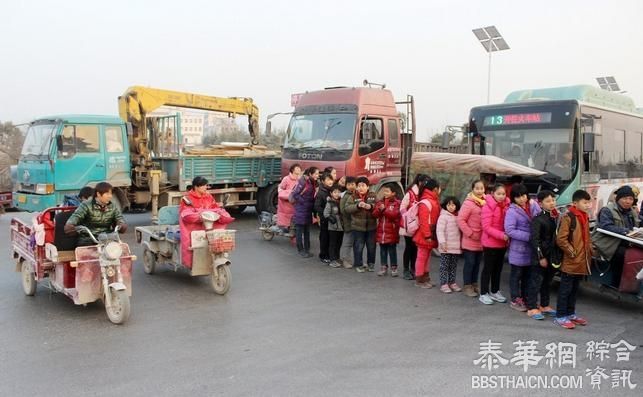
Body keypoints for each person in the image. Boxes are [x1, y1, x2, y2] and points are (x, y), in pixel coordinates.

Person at [554, 189, 593, 329]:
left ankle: (570, 313)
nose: (588, 205)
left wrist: (590, 251)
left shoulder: (584, 216)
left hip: (582, 261)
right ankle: (560, 316)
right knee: (565, 289)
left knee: (575, 289)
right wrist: (572, 253)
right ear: (575, 203)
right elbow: (561, 239)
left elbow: (586, 238)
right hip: (571, 261)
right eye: (585, 202)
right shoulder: (568, 217)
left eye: (589, 202)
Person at [178, 176, 234, 267]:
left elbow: (215, 207)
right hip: (193, 226)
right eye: (203, 186)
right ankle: (191, 264)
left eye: (206, 185)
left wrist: (221, 213)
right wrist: (201, 214)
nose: (206, 187)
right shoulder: (187, 198)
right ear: (196, 186)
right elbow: (185, 214)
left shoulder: (208, 196)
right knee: (190, 243)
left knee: (219, 236)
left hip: (209, 224)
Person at [593, 185, 640, 288]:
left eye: (630, 199)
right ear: (618, 199)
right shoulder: (607, 210)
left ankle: (633, 283)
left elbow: (637, 224)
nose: (628, 201)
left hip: (624, 241)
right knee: (624, 255)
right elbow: (606, 226)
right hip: (608, 243)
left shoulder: (632, 211)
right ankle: (616, 283)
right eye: (625, 198)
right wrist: (627, 231)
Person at [504, 184, 541, 312]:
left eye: (523, 195)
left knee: (527, 275)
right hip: (519, 248)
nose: (521, 199)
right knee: (516, 275)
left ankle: (525, 297)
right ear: (513, 198)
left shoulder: (533, 205)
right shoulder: (512, 211)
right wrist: (529, 236)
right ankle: (515, 299)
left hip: (531, 248)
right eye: (518, 197)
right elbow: (509, 230)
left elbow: (539, 219)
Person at [525, 190, 560, 320]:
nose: (552, 203)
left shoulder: (555, 217)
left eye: (553, 200)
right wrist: (541, 257)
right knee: (535, 282)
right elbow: (535, 240)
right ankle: (532, 307)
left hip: (552, 255)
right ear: (540, 203)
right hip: (540, 257)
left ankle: (544, 305)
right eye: (548, 201)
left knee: (547, 282)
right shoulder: (538, 219)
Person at [64, 182, 128, 246]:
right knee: (86, 252)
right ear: (98, 194)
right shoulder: (86, 205)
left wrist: (121, 224)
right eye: (107, 193)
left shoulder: (112, 206)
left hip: (107, 238)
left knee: (120, 251)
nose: (110, 196)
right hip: (88, 238)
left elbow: (119, 218)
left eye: (111, 193)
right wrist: (70, 225)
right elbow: (76, 216)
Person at [479, 184, 510, 305]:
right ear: (493, 193)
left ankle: (495, 291)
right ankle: (483, 293)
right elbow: (486, 227)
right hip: (490, 243)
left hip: (502, 244)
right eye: (499, 194)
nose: (501, 196)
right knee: (488, 269)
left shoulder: (507, 206)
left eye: (503, 194)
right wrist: (502, 235)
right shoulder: (488, 206)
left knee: (498, 269)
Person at [457, 180, 486, 297]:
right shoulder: (468, 203)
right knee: (470, 263)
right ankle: (467, 285)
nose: (479, 191)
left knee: (477, 264)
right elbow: (460, 220)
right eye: (477, 188)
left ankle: (474, 284)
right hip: (470, 239)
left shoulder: (486, 202)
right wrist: (470, 233)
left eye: (482, 188)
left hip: (481, 240)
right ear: (473, 189)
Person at [345, 177, 377, 273]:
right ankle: (358, 264)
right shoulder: (353, 197)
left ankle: (371, 264)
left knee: (371, 246)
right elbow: (347, 208)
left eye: (363, 186)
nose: (361, 188)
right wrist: (357, 206)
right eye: (359, 186)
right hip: (357, 227)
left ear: (368, 187)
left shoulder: (373, 195)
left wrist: (371, 206)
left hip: (371, 227)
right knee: (358, 246)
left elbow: (379, 206)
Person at [413, 177, 441, 288]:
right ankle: (419, 280)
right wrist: (427, 235)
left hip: (429, 234)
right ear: (435, 189)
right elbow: (423, 221)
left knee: (426, 257)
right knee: (422, 257)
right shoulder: (426, 202)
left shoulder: (432, 200)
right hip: (426, 235)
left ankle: (425, 278)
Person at [400, 174, 429, 280]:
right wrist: (408, 218)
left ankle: (413, 268)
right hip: (410, 225)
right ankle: (406, 270)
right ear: (419, 182)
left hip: (419, 226)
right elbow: (402, 207)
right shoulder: (410, 193)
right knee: (409, 247)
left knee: (416, 248)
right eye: (424, 182)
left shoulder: (424, 194)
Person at [373, 185, 401, 277]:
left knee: (392, 250)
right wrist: (379, 209)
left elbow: (394, 215)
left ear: (393, 193)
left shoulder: (397, 203)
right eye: (384, 191)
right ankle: (383, 267)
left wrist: (384, 209)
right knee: (382, 250)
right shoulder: (380, 202)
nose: (385, 193)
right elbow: (375, 214)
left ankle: (394, 268)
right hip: (382, 231)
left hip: (392, 231)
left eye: (387, 191)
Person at [436, 196, 462, 293]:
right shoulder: (443, 217)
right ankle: (443, 284)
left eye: (453, 205)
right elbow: (440, 231)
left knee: (453, 266)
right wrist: (442, 242)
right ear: (445, 206)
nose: (451, 207)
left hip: (455, 247)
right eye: (449, 205)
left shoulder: (458, 217)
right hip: (446, 247)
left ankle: (452, 282)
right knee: (444, 266)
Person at [291, 167, 319, 258]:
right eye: (316, 174)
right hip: (301, 210)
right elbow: (295, 194)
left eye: (318, 174)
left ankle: (307, 249)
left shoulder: (313, 182)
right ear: (310, 174)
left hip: (307, 210)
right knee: (299, 231)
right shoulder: (303, 182)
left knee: (307, 231)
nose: (317, 176)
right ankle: (301, 250)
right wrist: (304, 202)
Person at [314, 172, 335, 263]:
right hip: (324, 219)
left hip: (331, 219)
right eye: (328, 180)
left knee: (330, 238)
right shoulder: (321, 192)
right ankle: (323, 255)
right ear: (323, 181)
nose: (330, 181)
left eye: (331, 179)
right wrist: (325, 216)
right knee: (324, 238)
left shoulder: (330, 190)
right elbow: (317, 206)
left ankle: (329, 255)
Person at [275, 163, 302, 233]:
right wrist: (288, 194)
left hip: (294, 201)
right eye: (296, 173)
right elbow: (280, 189)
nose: (298, 175)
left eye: (299, 173)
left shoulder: (299, 180)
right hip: (285, 201)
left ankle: (292, 229)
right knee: (287, 216)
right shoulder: (286, 179)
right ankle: (286, 227)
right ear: (292, 171)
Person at [323, 184, 344, 268]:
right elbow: (325, 213)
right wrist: (331, 219)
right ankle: (332, 260)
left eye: (338, 192)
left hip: (341, 227)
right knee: (333, 244)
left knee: (339, 243)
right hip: (333, 228)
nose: (336, 194)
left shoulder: (341, 202)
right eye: (335, 192)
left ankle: (337, 257)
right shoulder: (329, 203)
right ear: (331, 193)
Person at [339, 176, 357, 268]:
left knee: (356, 243)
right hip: (348, 223)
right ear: (346, 186)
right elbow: (342, 210)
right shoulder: (345, 196)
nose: (351, 186)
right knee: (347, 243)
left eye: (353, 184)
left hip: (357, 224)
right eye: (349, 184)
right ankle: (345, 260)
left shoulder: (358, 194)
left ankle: (356, 261)